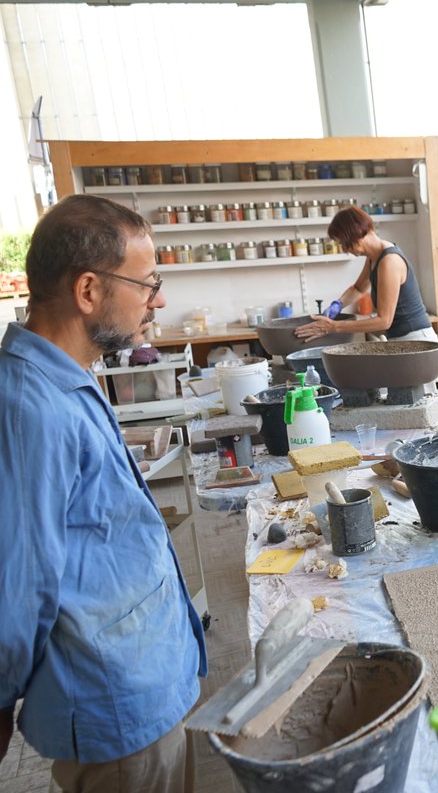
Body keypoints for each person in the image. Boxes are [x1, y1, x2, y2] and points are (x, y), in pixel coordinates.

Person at [0, 195, 207, 792]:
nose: (158, 300)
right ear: (88, 290)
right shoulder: (26, 408)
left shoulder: (67, 377)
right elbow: (17, 589)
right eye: (147, 284)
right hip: (111, 701)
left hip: (142, 679)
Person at [294, 205, 438, 344]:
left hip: (417, 339)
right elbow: (359, 289)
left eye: (344, 243)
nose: (345, 249)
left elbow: (384, 321)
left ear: (356, 233)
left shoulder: (389, 261)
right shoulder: (374, 257)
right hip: (403, 339)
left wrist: (334, 327)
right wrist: (337, 305)